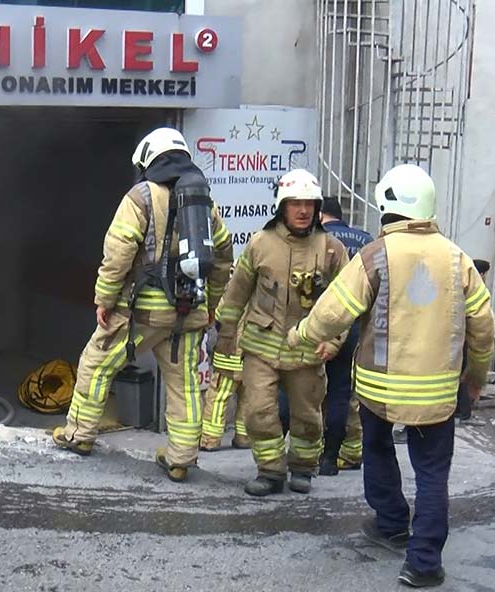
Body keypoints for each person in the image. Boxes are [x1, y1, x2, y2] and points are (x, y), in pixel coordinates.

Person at [288, 164, 495, 588]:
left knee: (379, 450)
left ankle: (391, 523)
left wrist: (300, 335)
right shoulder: (458, 259)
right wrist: (474, 378)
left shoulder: (377, 255)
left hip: (379, 389)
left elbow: (334, 310)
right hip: (438, 393)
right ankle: (422, 563)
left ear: (389, 208)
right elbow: (483, 329)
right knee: (433, 473)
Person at [52, 127, 234, 482]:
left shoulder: (141, 196)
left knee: (96, 363)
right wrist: (211, 303)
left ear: (149, 158)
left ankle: (79, 435)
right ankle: (181, 459)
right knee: (184, 386)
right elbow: (223, 257)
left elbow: (119, 252)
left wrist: (104, 298)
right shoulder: (205, 203)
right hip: (189, 313)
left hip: (141, 314)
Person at [215, 169, 348, 496]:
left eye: (309, 204)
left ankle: (302, 468)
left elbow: (346, 302)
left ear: (317, 208)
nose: (303, 211)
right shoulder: (260, 244)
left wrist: (333, 341)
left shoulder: (331, 249)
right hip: (261, 348)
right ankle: (270, 471)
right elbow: (235, 296)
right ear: (281, 207)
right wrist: (225, 341)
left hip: (307, 351)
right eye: (295, 204)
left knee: (306, 417)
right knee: (259, 412)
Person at [316, 196, 373, 474]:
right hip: (354, 326)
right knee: (344, 392)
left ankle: (309, 451)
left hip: (318, 325)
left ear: (321, 214)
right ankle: (336, 455)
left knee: (308, 391)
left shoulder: (316, 238)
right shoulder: (365, 240)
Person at [199, 265, 251, 454]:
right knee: (248, 399)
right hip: (250, 358)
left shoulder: (231, 294)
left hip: (228, 354)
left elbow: (217, 316)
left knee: (218, 397)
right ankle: (243, 437)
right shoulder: (261, 295)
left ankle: (210, 440)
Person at [455, 259, 491, 424]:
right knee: (466, 377)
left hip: (457, 338)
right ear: (481, 274)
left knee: (458, 376)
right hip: (466, 340)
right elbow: (481, 323)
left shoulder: (459, 285)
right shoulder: (475, 289)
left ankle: (458, 412)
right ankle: (465, 413)